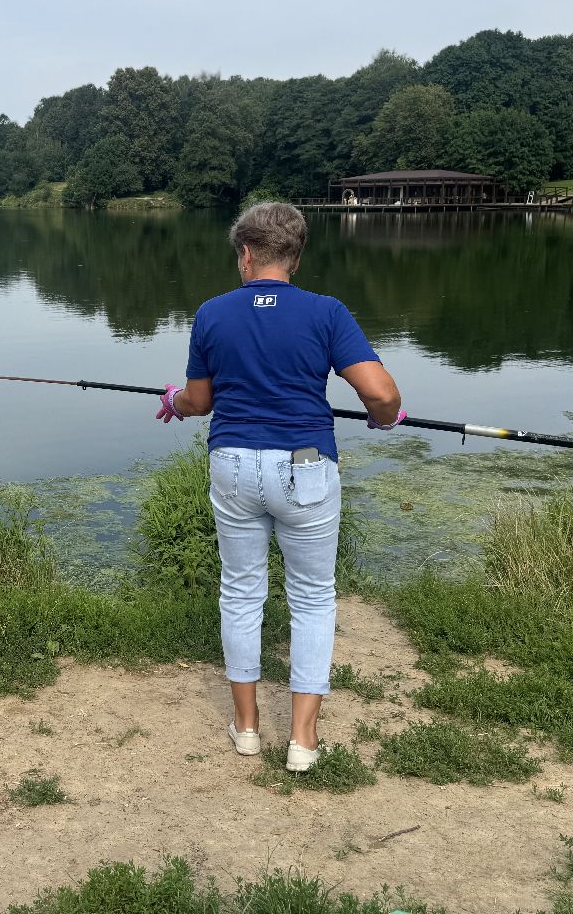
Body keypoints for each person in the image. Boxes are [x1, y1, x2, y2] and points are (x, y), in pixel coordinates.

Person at [154, 202, 404, 772]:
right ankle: (303, 742)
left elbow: (199, 401)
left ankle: (246, 728)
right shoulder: (326, 312)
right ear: (295, 256)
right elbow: (383, 395)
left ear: (245, 253)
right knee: (312, 598)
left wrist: (172, 401)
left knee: (242, 591)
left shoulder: (213, 313)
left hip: (234, 466)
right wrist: (385, 417)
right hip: (306, 467)